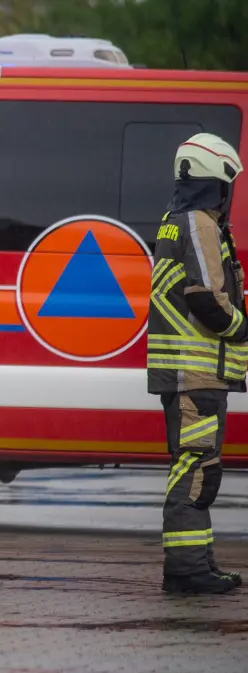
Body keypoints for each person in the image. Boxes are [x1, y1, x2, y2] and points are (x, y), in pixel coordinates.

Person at [148, 132, 246, 595]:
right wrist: (242, 327)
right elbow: (206, 297)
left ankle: (198, 564)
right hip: (196, 370)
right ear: (215, 182)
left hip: (188, 372)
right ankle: (187, 571)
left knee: (197, 466)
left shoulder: (175, 220)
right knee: (195, 468)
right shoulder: (198, 223)